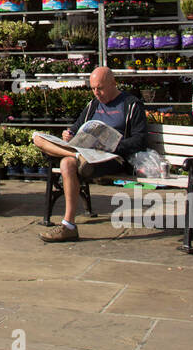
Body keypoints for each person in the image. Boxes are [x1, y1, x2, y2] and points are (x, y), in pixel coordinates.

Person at [37, 67, 147, 243]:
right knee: (39, 140)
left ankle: (68, 224)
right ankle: (69, 226)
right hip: (87, 154)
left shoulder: (131, 104)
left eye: (100, 88)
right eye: (93, 88)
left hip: (112, 157)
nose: (97, 93)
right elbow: (76, 128)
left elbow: (140, 141)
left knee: (66, 163)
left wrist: (112, 146)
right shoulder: (93, 105)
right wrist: (69, 134)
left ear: (113, 83)